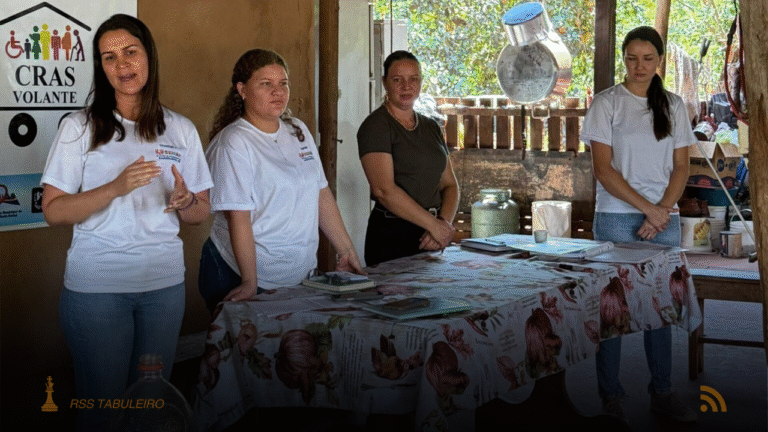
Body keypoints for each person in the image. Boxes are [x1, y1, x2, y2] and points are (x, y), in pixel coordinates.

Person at [40, 14, 212, 431]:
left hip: (163, 287)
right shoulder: (79, 127)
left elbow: (201, 212)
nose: (122, 65)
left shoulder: (180, 129)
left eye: (130, 52)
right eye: (109, 57)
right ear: (101, 67)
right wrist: (113, 188)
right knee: (102, 413)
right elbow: (53, 210)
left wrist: (186, 200)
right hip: (98, 290)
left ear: (148, 56)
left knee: (151, 408)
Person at [580, 26, 698, 423]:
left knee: (659, 308)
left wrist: (661, 209)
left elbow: (682, 167)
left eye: (648, 58)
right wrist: (649, 208)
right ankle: (610, 398)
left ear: (660, 61)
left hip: (663, 218)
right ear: (624, 58)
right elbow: (603, 169)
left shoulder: (674, 105)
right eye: (632, 57)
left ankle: (661, 393)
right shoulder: (606, 103)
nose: (639, 66)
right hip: (616, 216)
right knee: (611, 310)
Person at [198, 49, 364, 314]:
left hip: (298, 275)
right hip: (243, 273)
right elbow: (238, 216)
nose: (278, 92)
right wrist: (250, 282)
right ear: (242, 90)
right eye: (266, 84)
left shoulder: (297, 130)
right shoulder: (234, 142)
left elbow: (320, 194)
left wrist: (347, 251)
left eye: (283, 83)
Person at [357, 50, 459, 266]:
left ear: (421, 82)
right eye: (397, 80)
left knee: (432, 298)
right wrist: (434, 226)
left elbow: (450, 185)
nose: (406, 86)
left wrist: (442, 224)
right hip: (393, 234)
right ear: (385, 83)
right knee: (396, 300)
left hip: (431, 235)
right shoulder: (376, 126)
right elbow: (383, 190)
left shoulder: (431, 126)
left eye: (413, 79)